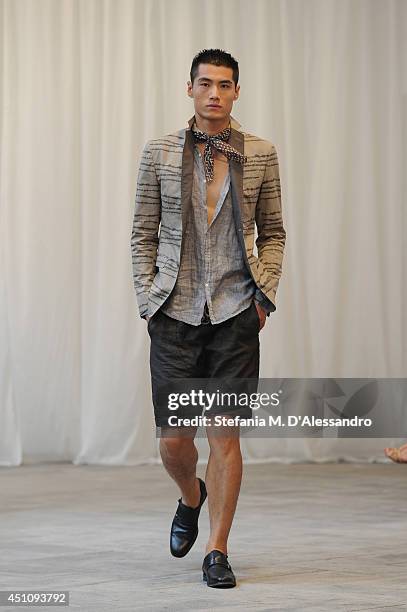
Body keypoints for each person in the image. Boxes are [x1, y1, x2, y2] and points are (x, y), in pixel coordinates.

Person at [131, 48, 286, 588]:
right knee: (174, 440)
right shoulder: (158, 152)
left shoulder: (261, 153)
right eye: (205, 83)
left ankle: (217, 550)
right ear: (189, 88)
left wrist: (263, 294)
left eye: (225, 84)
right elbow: (142, 233)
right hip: (173, 312)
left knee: (226, 436)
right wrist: (147, 301)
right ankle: (189, 495)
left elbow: (274, 232)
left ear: (237, 91)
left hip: (235, 311)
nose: (215, 93)